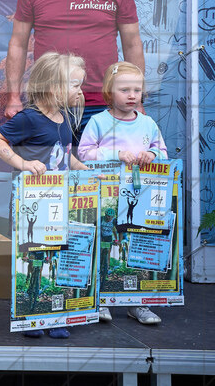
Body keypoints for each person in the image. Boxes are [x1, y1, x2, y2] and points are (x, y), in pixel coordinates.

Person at [3, 0, 144, 144]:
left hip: (105, 103)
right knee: (49, 173)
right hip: (49, 103)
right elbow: (18, 44)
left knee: (103, 175)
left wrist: (135, 98)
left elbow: (132, 43)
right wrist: (13, 97)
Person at [0, 52, 88, 339]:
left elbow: (64, 156)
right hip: (31, 203)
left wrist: (84, 169)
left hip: (57, 203)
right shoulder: (29, 118)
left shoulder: (66, 118)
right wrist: (22, 164)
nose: (80, 92)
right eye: (75, 85)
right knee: (32, 258)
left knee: (56, 256)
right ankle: (31, 312)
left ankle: (53, 312)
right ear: (54, 87)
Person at [78, 61, 168, 326]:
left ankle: (138, 303)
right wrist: (115, 155)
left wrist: (151, 154)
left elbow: (163, 151)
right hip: (106, 198)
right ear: (109, 92)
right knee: (107, 246)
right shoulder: (98, 121)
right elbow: (83, 154)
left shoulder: (148, 123)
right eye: (124, 89)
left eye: (137, 90)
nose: (132, 95)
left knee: (136, 248)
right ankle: (102, 299)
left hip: (138, 200)